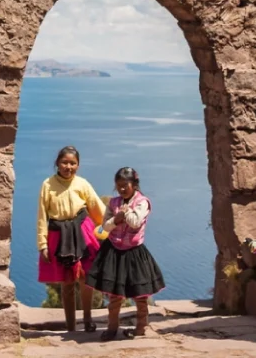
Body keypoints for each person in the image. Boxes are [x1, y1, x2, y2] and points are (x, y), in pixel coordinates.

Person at [86, 167, 165, 341]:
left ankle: (141, 327)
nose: (122, 189)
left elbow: (136, 222)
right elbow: (105, 226)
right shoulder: (113, 203)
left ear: (135, 184)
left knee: (140, 293)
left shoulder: (143, 202)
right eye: (119, 185)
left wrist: (124, 214)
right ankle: (112, 328)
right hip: (114, 250)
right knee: (114, 294)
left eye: (125, 185)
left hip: (134, 252)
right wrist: (116, 218)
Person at [37, 146, 106, 332]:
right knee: (66, 282)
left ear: (78, 165)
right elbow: (42, 215)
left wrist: (111, 228)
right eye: (65, 162)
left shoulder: (82, 184)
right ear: (57, 164)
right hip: (59, 236)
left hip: (82, 232)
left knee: (86, 278)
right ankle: (70, 326)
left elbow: (97, 207)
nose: (69, 166)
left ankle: (88, 319)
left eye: (73, 163)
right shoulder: (47, 185)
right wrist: (42, 244)